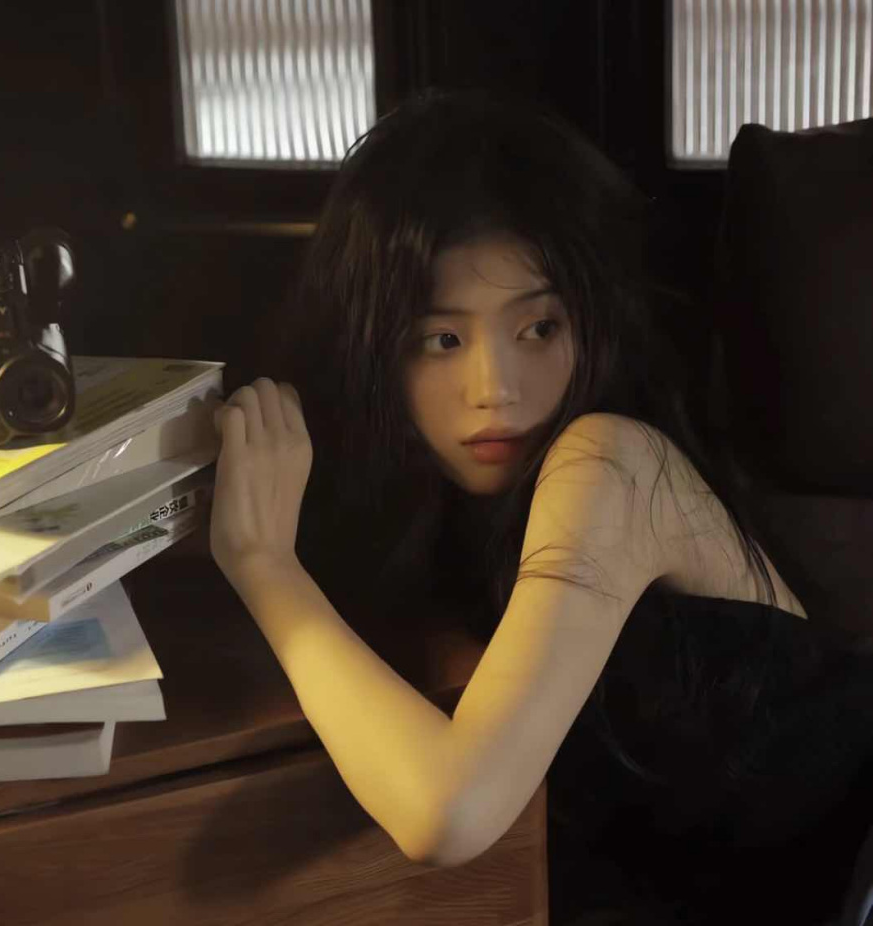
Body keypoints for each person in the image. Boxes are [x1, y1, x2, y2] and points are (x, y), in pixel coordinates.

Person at [208, 88, 873, 925]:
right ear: (378, 352)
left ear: (592, 324)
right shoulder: (442, 513)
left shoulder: (609, 464)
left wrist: (265, 567)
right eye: (443, 340)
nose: (495, 388)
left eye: (539, 329)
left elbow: (448, 815)